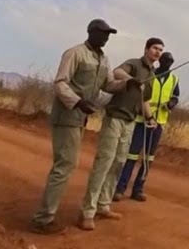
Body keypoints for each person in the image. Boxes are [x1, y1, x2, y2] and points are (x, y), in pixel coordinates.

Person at [30, 19, 136, 234]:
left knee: (67, 164)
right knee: (65, 165)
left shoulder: (104, 59)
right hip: (67, 115)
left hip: (80, 117)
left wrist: (126, 84)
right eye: (104, 33)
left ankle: (46, 215)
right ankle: (43, 219)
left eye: (109, 34)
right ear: (92, 32)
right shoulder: (75, 53)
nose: (106, 37)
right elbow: (60, 83)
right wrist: (77, 102)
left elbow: (108, 85)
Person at [77, 37, 162, 230]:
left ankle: (103, 205)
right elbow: (117, 72)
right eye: (155, 48)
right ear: (147, 49)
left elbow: (145, 100)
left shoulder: (153, 77)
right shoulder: (134, 64)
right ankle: (87, 212)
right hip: (115, 118)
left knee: (118, 163)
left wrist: (149, 117)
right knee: (104, 162)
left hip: (130, 121)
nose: (158, 52)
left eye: (160, 50)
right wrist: (130, 80)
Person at [114, 50, 180, 202]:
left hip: (159, 123)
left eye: (170, 61)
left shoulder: (174, 79)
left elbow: (176, 96)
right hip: (141, 119)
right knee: (132, 155)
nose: (167, 63)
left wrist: (171, 104)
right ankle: (120, 188)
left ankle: (138, 189)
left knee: (148, 159)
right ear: (160, 61)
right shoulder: (149, 75)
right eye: (164, 60)